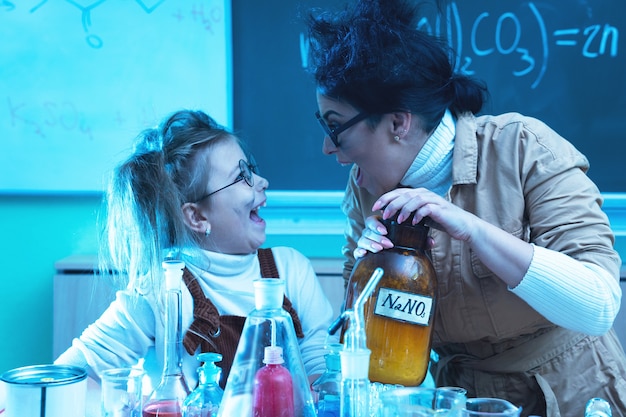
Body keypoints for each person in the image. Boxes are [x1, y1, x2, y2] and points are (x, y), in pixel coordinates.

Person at [306, 1, 626, 415]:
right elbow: (359, 337)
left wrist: (473, 230)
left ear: (398, 124)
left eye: (335, 127)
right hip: (460, 398)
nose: (328, 147)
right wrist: (373, 276)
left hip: (571, 390)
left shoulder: (523, 147)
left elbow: (597, 306)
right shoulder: (366, 189)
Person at [54, 109, 334, 391]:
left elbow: (320, 367)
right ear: (197, 217)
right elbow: (72, 373)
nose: (262, 182)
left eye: (252, 169)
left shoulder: (291, 270)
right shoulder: (159, 290)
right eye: (242, 176)